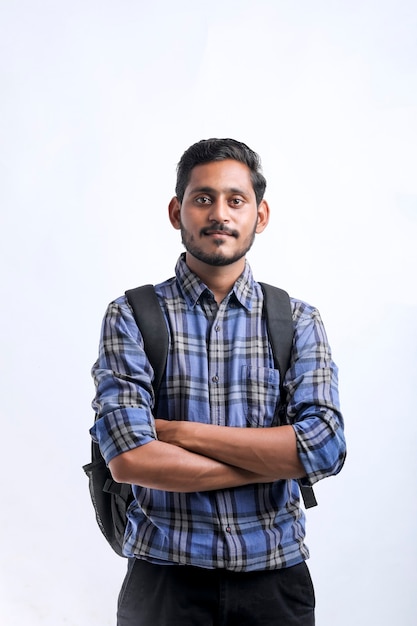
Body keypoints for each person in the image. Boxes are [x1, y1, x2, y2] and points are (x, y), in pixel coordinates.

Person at [91, 138, 346, 625]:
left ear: (261, 214)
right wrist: (272, 462)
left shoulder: (296, 320)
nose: (219, 214)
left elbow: (325, 448)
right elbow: (128, 459)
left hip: (275, 581)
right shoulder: (132, 315)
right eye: (203, 198)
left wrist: (180, 434)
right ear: (176, 211)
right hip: (163, 583)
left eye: (236, 199)